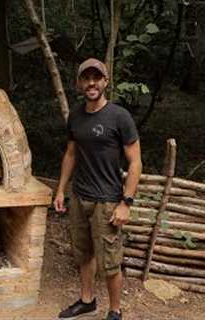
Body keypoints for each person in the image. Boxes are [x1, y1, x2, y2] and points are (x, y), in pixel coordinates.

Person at [54, 58, 142, 320]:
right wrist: (60, 190)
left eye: (96, 77)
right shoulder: (76, 115)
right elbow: (71, 154)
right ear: (80, 83)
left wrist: (126, 202)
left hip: (107, 201)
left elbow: (136, 162)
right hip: (80, 196)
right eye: (86, 78)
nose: (91, 82)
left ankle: (115, 311)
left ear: (105, 82)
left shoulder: (119, 117)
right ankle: (87, 300)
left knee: (110, 262)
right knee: (83, 253)